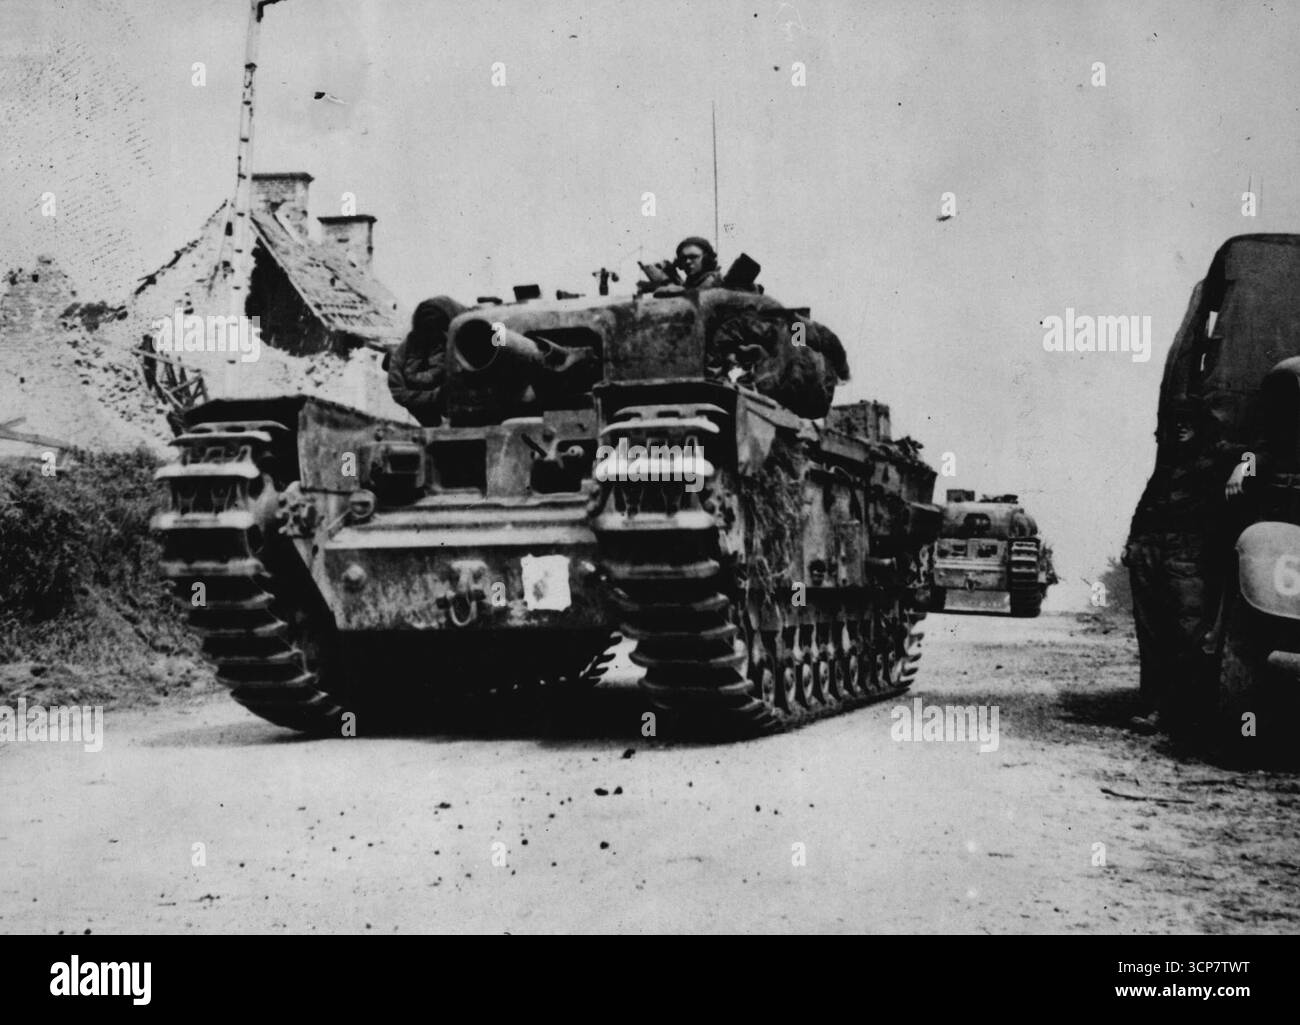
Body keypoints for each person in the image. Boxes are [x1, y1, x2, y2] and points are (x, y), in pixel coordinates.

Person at [1125, 398, 1245, 734]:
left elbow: (1256, 454)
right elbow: (1147, 503)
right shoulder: (1169, 461)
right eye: (1175, 421)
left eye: (1187, 421)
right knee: (1151, 633)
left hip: (1188, 554)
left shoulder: (1219, 454)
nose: (1179, 427)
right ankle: (1153, 707)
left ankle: (1179, 712)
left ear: (1200, 424)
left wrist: (1242, 468)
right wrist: (1133, 544)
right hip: (1150, 552)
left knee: (1187, 634)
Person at [386, 296, 466, 425]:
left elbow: (500, 334)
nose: (432, 336)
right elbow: (399, 392)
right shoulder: (404, 351)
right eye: (428, 330)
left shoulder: (466, 339)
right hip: (429, 407)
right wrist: (436, 396)